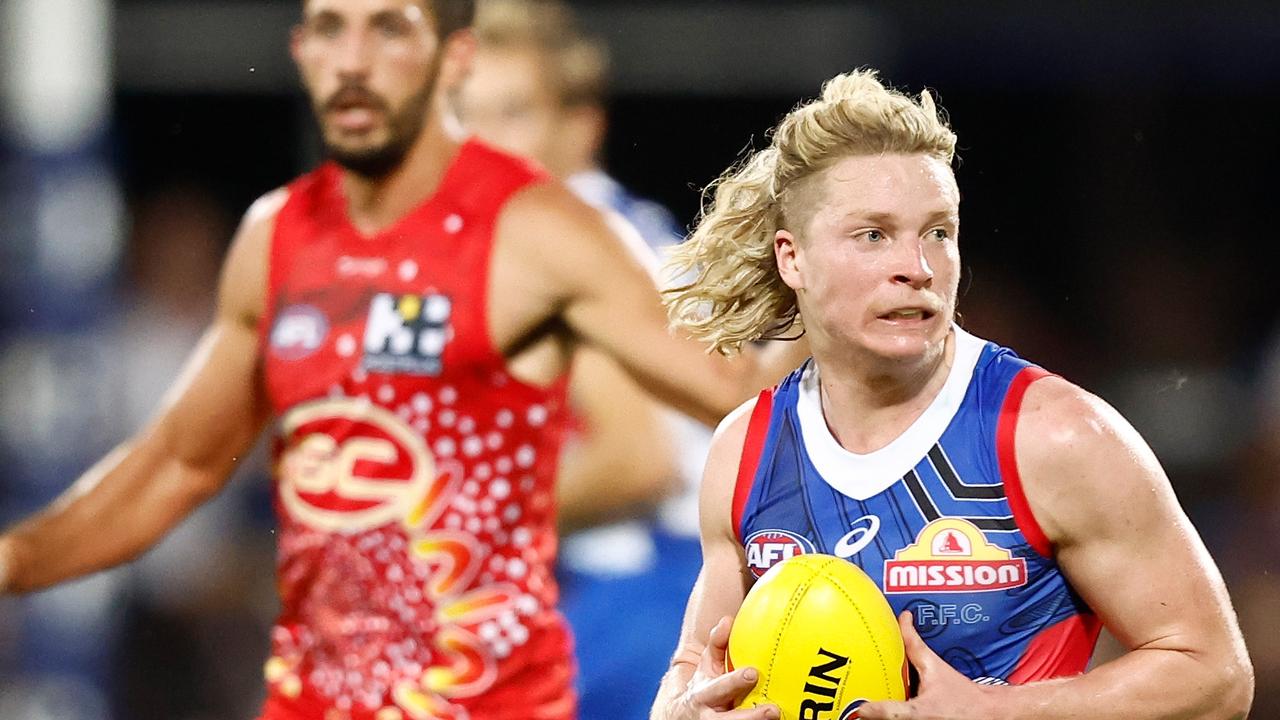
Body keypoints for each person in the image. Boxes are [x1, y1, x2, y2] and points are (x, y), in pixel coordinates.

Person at [0, 2, 806, 720]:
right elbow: (178, 461)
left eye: (389, 28)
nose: (357, 60)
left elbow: (674, 436)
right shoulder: (281, 236)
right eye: (332, 29)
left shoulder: (551, 235)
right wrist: (16, 559)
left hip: (598, 625)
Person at [650, 69, 1253, 720]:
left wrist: (998, 714)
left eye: (938, 231)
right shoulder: (745, 450)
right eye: (874, 234)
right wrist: (687, 712)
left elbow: (1215, 674)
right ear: (792, 258)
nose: (918, 266)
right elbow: (691, 671)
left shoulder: (1053, 436)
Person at [456, 2, 711, 718]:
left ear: (576, 126)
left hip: (639, 598)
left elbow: (635, 460)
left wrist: (447, 516)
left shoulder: (561, 246)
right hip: (660, 590)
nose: (479, 143)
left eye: (510, 114)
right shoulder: (614, 223)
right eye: (462, 115)